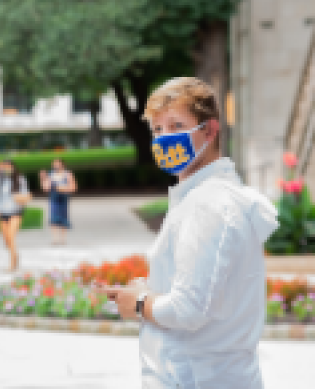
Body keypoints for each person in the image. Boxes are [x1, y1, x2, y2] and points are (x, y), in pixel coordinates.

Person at [98, 77, 278, 389]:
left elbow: (189, 309)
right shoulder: (203, 198)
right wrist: (151, 289)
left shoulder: (208, 204)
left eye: (176, 125)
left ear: (209, 130)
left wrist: (139, 304)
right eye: (157, 129)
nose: (164, 138)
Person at [0, 160, 31, 272]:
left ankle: (12, 263)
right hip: (3, 213)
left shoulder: (20, 179)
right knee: (6, 240)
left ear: (13, 167)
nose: (5, 169)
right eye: (3, 167)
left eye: (8, 167)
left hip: (15, 211)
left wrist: (19, 197)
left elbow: (26, 194)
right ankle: (15, 254)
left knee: (11, 236)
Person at [39, 159, 77, 245]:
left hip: (63, 198)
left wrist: (65, 188)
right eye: (54, 164)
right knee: (53, 218)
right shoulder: (50, 175)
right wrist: (43, 178)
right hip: (53, 198)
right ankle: (55, 239)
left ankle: (63, 239)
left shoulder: (67, 174)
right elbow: (45, 188)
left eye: (57, 164)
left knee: (64, 217)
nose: (56, 166)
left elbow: (73, 187)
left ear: (62, 164)